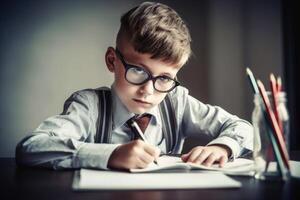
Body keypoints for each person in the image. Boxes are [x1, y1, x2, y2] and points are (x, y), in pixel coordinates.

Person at [16, 2, 253, 170]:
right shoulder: (89, 106)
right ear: (112, 61)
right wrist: (110, 155)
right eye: (138, 71)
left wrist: (224, 146)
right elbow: (31, 147)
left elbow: (242, 127)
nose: (148, 91)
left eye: (164, 78)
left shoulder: (176, 102)